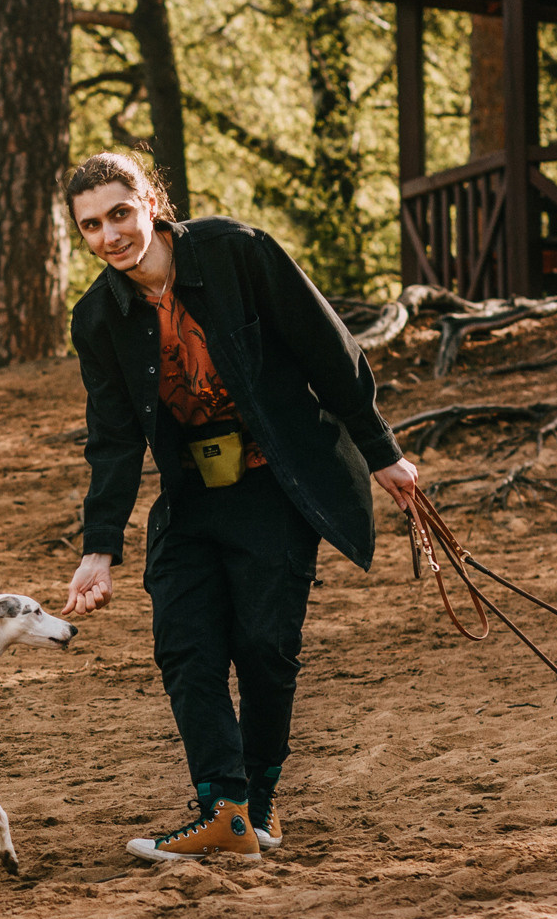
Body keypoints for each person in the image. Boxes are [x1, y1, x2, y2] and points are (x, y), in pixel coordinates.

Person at [57, 151, 418, 863]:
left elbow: (329, 349)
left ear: (150, 203)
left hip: (278, 482)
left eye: (119, 214)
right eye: (91, 226)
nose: (109, 237)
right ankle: (223, 809)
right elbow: (114, 438)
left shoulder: (235, 252)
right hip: (190, 498)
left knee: (263, 647)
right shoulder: (97, 318)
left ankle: (258, 807)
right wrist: (99, 548)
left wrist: (382, 451)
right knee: (186, 645)